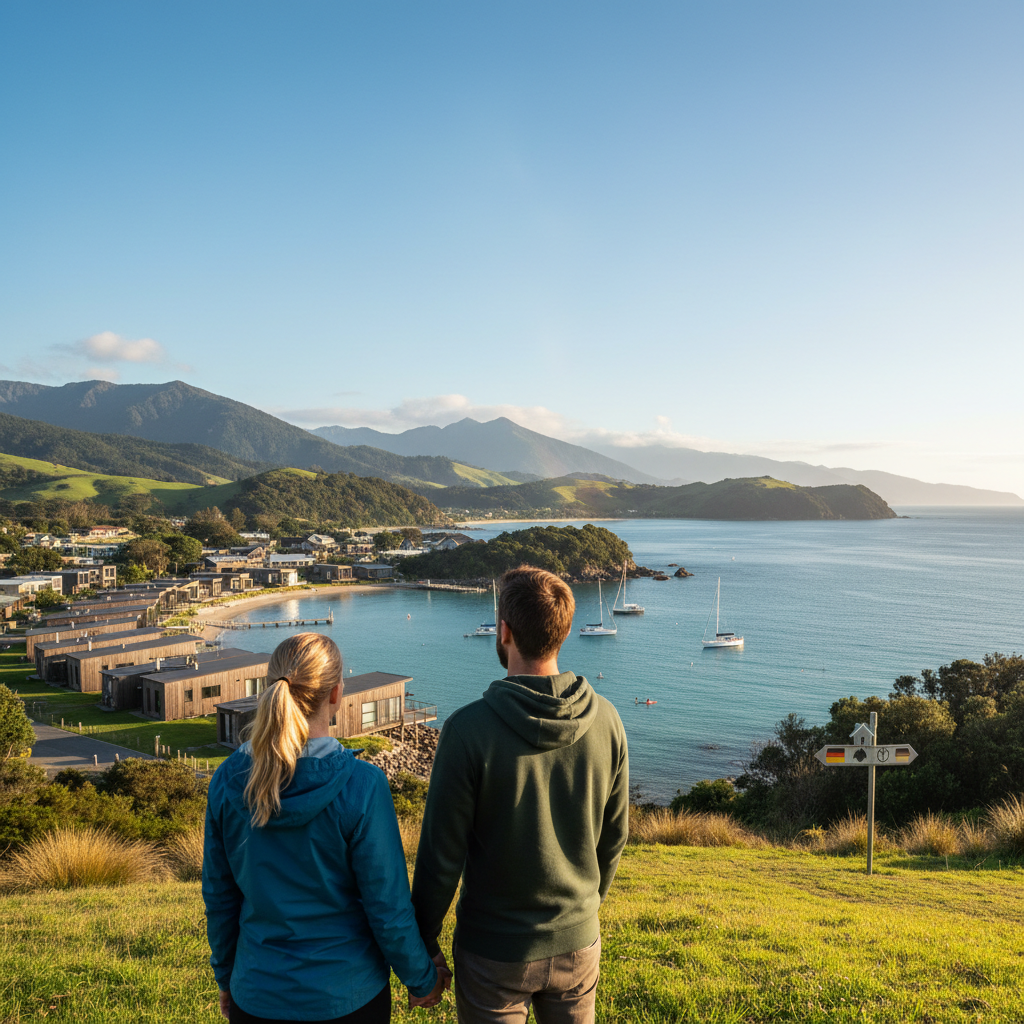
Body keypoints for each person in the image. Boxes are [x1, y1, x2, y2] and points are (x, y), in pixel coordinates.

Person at [411, 566, 630, 1024]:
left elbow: (441, 857)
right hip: (578, 942)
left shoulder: (468, 730)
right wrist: (584, 909)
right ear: (563, 632)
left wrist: (423, 941)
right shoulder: (608, 720)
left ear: (504, 631)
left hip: (493, 952)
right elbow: (614, 837)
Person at [203, 632, 450, 1023]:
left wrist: (225, 978)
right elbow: (387, 910)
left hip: (257, 993)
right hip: (349, 996)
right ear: (336, 694)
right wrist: (422, 980)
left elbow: (220, 898)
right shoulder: (362, 785)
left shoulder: (228, 781)